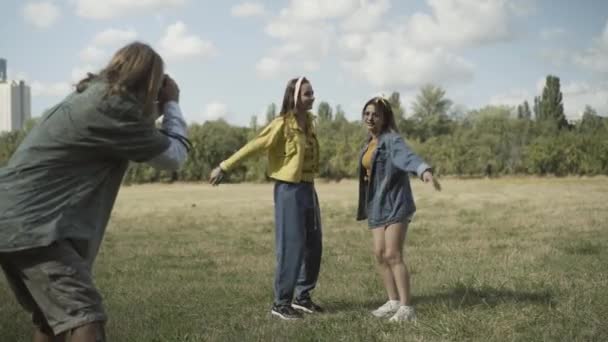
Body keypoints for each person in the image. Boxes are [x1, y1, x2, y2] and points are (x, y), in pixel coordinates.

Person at [0, 42, 190, 342]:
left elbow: (135, 128)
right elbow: (174, 156)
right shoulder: (116, 108)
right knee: (86, 318)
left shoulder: (92, 97)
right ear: (150, 80)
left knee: (52, 321)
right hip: (34, 228)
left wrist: (154, 107)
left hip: (12, 219)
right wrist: (172, 105)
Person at [209, 76, 323, 320]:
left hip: (308, 188)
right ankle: (281, 303)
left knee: (314, 245)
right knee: (291, 247)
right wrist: (224, 167)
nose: (312, 97)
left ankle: (303, 298)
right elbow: (254, 146)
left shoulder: (310, 123)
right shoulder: (281, 124)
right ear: (294, 97)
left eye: (312, 93)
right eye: (307, 94)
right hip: (289, 191)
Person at [356, 96, 441, 322]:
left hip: (395, 203)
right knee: (380, 255)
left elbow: (408, 157)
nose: (370, 118)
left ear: (385, 118)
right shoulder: (368, 143)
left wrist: (423, 170)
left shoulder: (392, 140)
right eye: (367, 113)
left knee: (393, 254)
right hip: (376, 205)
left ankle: (406, 308)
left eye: (375, 114)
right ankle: (392, 301)